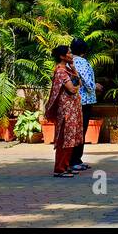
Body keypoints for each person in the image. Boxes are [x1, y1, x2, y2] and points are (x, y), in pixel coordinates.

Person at [46, 45, 84, 178]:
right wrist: (77, 85)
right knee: (64, 138)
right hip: (66, 110)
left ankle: (66, 166)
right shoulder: (61, 71)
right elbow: (72, 89)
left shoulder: (68, 69)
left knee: (71, 138)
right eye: (68, 53)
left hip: (72, 109)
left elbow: (78, 82)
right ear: (62, 56)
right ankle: (59, 168)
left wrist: (73, 69)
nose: (71, 55)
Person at [69, 37, 103, 172]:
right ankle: (75, 160)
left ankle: (76, 159)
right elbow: (86, 79)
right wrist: (95, 86)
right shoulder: (82, 62)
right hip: (84, 101)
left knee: (78, 131)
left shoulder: (70, 62)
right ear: (84, 50)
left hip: (76, 100)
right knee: (80, 131)